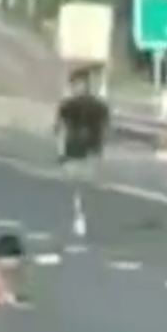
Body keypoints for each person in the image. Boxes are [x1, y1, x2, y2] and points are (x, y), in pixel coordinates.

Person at [54, 68, 110, 238]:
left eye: (83, 84)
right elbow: (60, 129)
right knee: (75, 186)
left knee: (88, 186)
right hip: (72, 150)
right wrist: (60, 150)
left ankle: (83, 214)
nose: (80, 88)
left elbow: (105, 128)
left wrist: (101, 150)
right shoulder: (67, 106)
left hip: (91, 150)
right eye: (77, 85)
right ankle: (78, 214)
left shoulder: (98, 106)